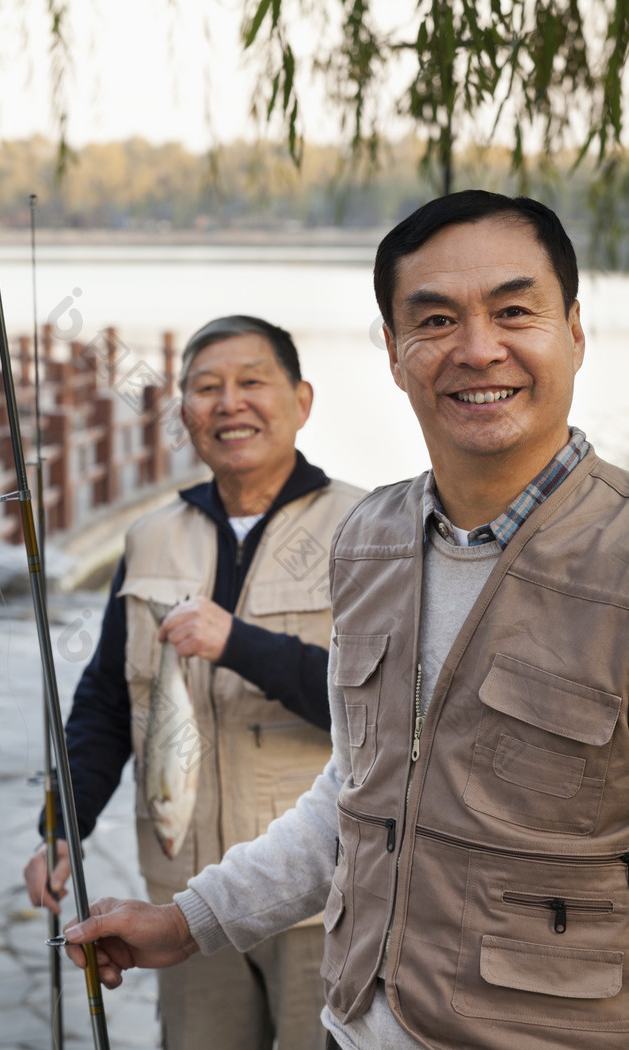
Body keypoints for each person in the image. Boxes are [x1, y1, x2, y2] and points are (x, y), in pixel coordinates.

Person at [64, 191, 629, 1050]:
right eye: (434, 321)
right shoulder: (373, 541)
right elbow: (356, 795)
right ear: (398, 356)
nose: (479, 348)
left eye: (515, 310)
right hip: (351, 1025)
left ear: (576, 331)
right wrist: (188, 922)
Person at [24, 314, 365, 1050]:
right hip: (184, 900)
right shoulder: (151, 535)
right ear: (183, 414)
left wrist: (236, 642)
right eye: (206, 388)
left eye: (252, 383)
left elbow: (384, 710)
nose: (229, 403)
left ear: (301, 400)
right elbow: (106, 703)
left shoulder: (368, 530)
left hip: (323, 899)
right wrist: (63, 828)